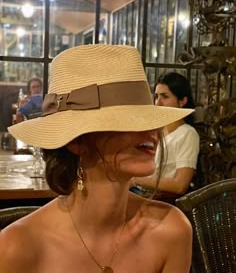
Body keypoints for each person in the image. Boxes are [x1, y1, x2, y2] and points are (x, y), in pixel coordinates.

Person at [1, 45, 193, 273]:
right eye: (128, 121)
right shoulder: (17, 247)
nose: (151, 130)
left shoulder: (172, 230)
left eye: (149, 117)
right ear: (76, 142)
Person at [131, 72, 200, 202]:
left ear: (182, 101)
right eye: (156, 97)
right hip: (141, 193)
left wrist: (136, 180)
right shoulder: (155, 130)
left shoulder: (187, 134)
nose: (158, 103)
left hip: (163, 201)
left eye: (165, 96)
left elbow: (180, 185)